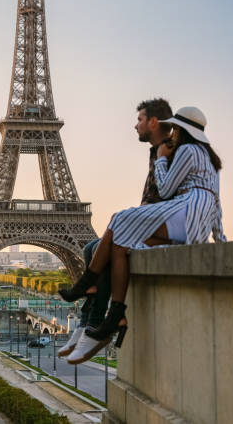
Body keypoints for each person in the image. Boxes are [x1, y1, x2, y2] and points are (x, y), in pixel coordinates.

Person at [65, 106, 226, 364]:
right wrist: (220, 240)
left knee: (119, 220)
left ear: (182, 131)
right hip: (195, 223)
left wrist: (162, 157)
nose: (172, 133)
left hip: (182, 212)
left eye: (175, 129)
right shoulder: (210, 160)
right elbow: (217, 205)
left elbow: (165, 188)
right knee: (120, 244)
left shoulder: (185, 150)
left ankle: (87, 284)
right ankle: (115, 315)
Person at [58, 98, 173, 358]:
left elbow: (166, 195)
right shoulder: (158, 149)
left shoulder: (168, 149)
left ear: (153, 122)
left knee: (106, 245)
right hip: (149, 221)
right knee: (91, 247)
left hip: (159, 225)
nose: (135, 125)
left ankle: (97, 321)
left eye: (140, 119)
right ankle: (89, 321)